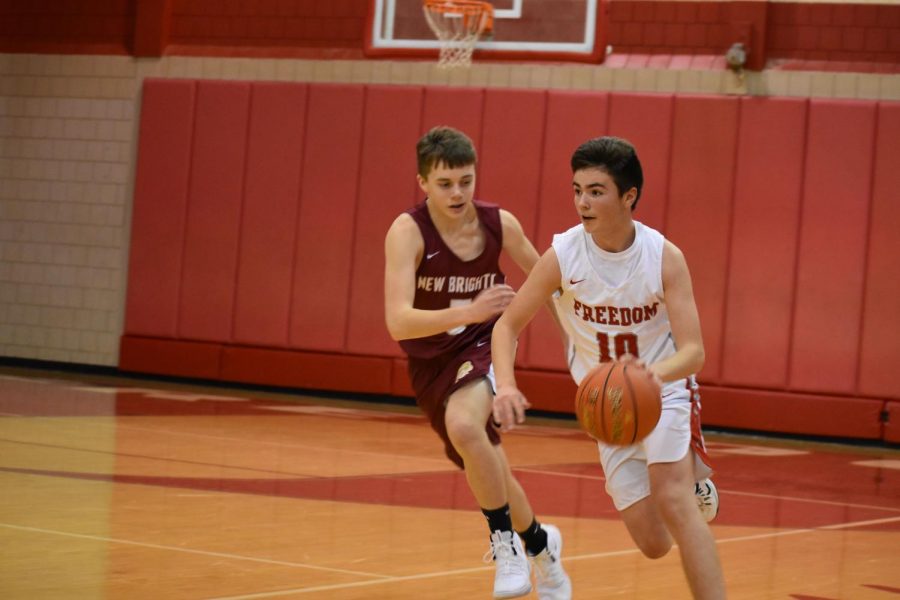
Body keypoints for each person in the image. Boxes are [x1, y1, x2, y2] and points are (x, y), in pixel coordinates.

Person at [491, 136, 726, 599]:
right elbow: (507, 326)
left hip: (665, 389)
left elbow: (694, 352)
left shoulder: (664, 258)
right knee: (654, 543)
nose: (583, 201)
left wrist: (647, 377)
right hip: (606, 406)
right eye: (577, 189)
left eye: (596, 191)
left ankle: (687, 487)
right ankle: (694, 486)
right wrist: (506, 386)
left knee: (674, 502)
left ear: (628, 196)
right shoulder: (564, 255)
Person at [383, 126, 572, 599]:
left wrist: (575, 340)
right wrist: (470, 308)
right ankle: (542, 547)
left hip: (485, 343)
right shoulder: (407, 232)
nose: (458, 192)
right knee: (492, 468)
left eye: (466, 180)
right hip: (431, 362)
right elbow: (399, 322)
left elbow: (547, 278)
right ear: (423, 182)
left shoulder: (498, 224)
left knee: (466, 429)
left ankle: (504, 545)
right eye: (445, 183)